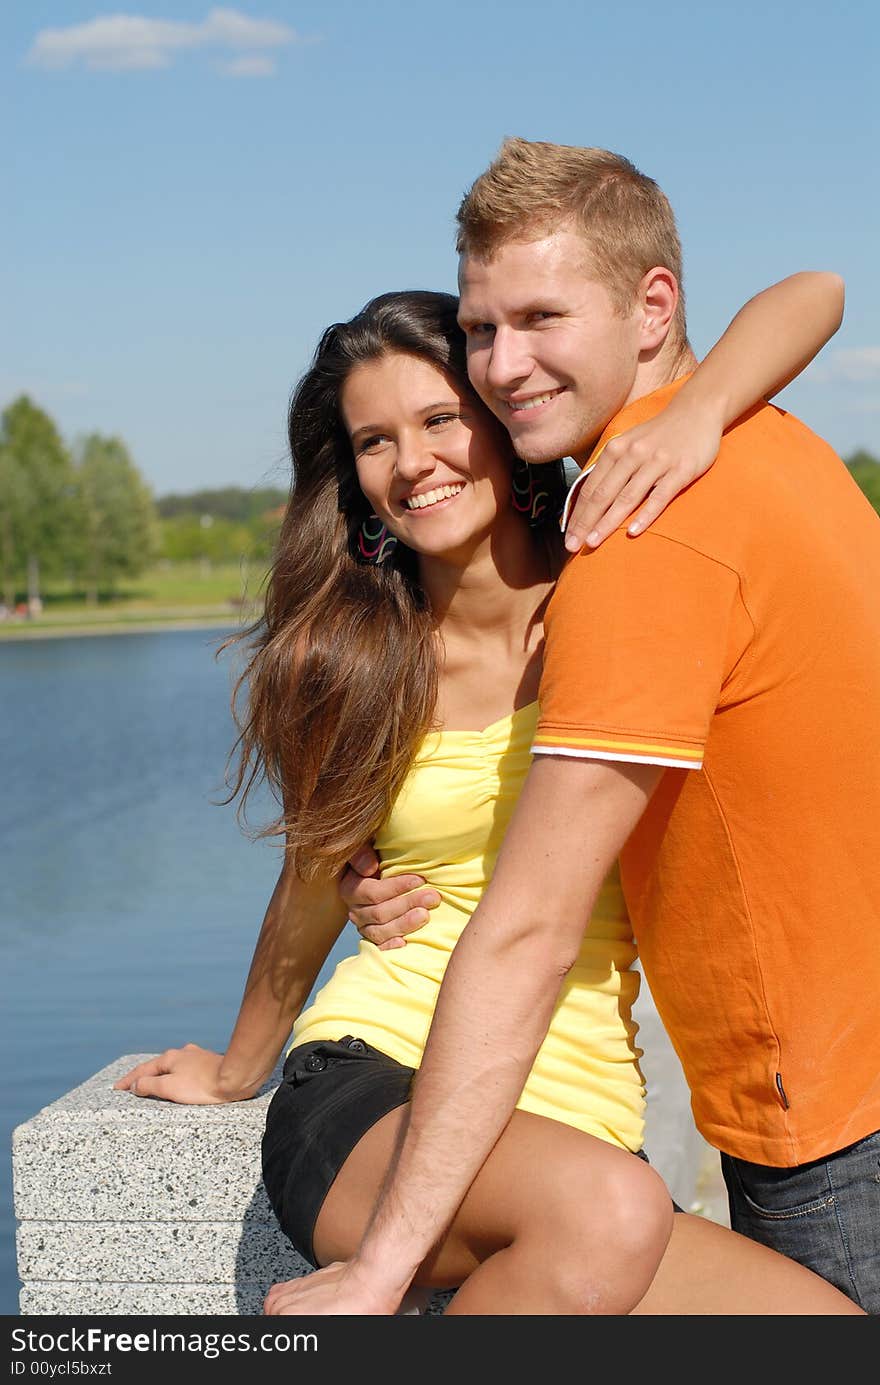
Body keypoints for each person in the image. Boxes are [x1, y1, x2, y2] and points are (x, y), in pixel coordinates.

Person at [116, 275, 862, 1315]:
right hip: (376, 1091)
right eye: (374, 441)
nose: (411, 462)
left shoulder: (619, 596)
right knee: (607, 1209)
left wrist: (693, 413)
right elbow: (309, 884)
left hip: (581, 1125)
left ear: (504, 427)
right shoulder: (357, 659)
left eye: (438, 420)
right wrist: (239, 1066)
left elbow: (814, 295)